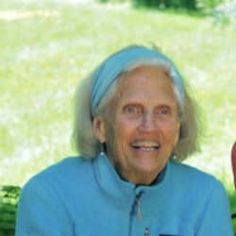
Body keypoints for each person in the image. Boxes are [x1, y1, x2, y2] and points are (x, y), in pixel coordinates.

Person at [16, 45, 233, 235]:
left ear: (178, 127)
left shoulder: (205, 196)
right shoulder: (50, 195)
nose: (149, 126)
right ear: (100, 127)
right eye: (132, 110)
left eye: (163, 112)